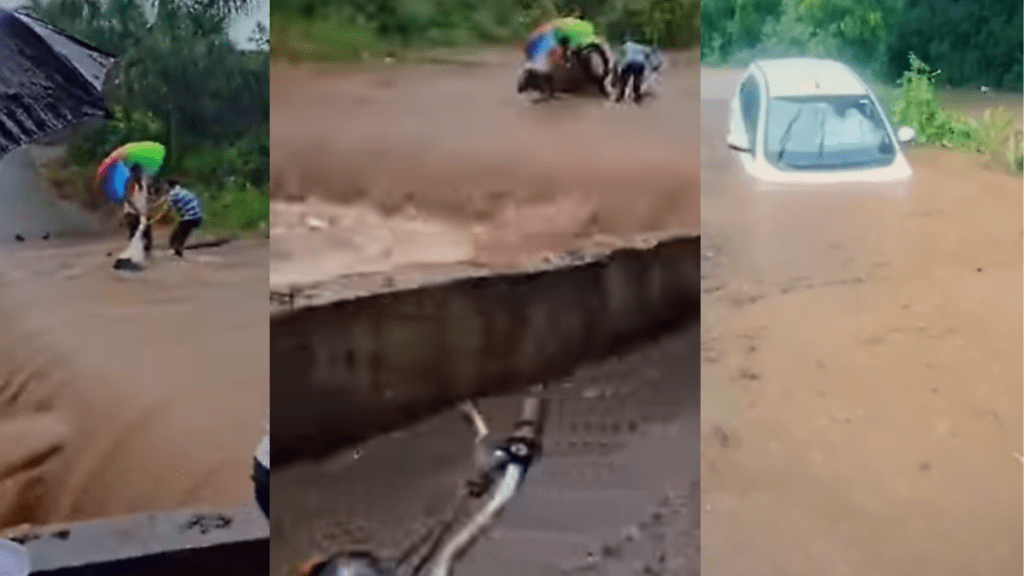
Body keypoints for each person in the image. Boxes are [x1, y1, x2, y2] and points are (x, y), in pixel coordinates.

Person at [155, 179, 203, 257]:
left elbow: (167, 210)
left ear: (169, 186)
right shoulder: (183, 191)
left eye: (165, 186)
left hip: (189, 218)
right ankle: (178, 252)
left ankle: (174, 254)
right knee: (181, 237)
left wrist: (156, 218)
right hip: (198, 217)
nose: (164, 188)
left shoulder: (173, 194)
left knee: (173, 237)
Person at [616, 37, 662, 104]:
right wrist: (654, 66)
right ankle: (637, 96)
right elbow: (648, 56)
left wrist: (619, 65)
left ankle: (620, 96)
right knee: (637, 80)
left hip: (629, 63)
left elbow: (621, 56)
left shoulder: (627, 45)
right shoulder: (643, 47)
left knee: (624, 80)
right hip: (640, 64)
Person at [122, 163, 152, 256]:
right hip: (131, 212)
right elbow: (128, 199)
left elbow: (147, 197)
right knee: (134, 233)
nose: (139, 174)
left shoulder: (144, 183)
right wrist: (137, 210)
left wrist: (147, 208)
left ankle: (147, 253)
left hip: (143, 212)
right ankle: (135, 253)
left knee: (147, 233)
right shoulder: (130, 184)